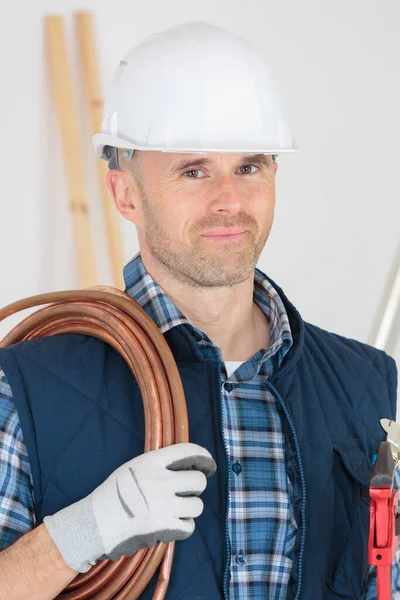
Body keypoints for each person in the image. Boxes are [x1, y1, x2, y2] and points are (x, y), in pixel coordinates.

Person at [0, 20, 398, 600]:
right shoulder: (28, 388)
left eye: (249, 166)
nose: (229, 200)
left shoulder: (367, 381)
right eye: (194, 171)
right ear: (125, 195)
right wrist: (79, 533)